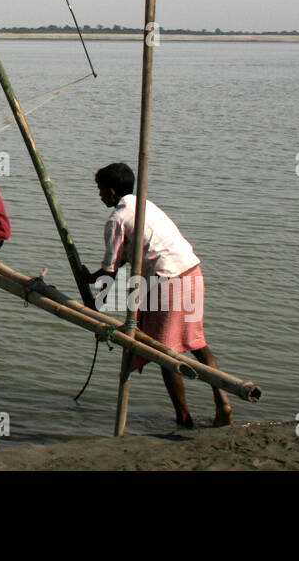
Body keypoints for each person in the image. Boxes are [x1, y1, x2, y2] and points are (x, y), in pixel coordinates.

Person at [78, 162, 232, 428]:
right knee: (197, 343)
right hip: (192, 272)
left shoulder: (116, 219)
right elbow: (124, 259)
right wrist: (90, 277)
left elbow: (110, 272)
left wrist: (96, 310)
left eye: (100, 190)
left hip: (167, 282)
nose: (100, 195)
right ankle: (223, 403)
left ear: (112, 192)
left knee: (165, 352)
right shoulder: (144, 205)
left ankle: (183, 418)